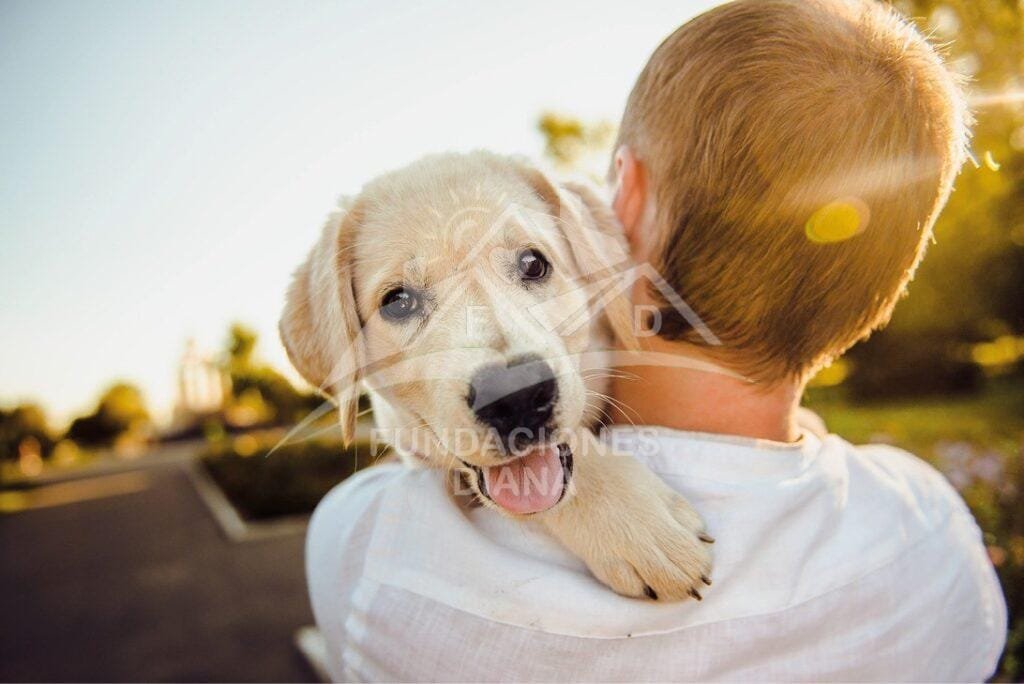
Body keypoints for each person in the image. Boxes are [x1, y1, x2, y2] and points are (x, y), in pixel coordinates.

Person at [305, 0, 1007, 679]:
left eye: (532, 266)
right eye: (401, 300)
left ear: (625, 202)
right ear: (878, 286)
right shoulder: (934, 536)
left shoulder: (370, 552)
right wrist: (583, 485)